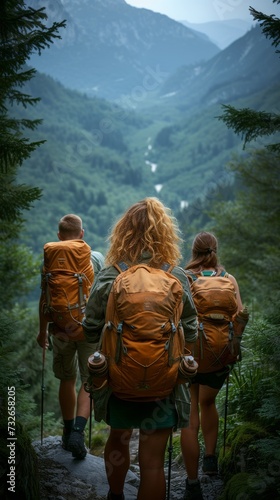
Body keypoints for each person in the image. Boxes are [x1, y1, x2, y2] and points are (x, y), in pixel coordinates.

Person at [82, 197, 198, 500]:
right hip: (165, 383)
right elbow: (193, 331)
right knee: (152, 466)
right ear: (166, 233)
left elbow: (91, 327)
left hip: (119, 379)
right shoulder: (176, 274)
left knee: (118, 439)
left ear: (123, 232)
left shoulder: (110, 274)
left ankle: (116, 495)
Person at [180, 231, 243, 500]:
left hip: (192, 353)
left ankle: (192, 482)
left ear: (194, 251)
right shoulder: (228, 279)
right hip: (219, 352)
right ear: (215, 250)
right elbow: (239, 315)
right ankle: (210, 459)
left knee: (190, 410)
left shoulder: (185, 277)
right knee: (208, 404)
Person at [37, 214, 104, 459]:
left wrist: (42, 331)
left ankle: (66, 433)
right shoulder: (94, 258)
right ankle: (78, 432)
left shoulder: (49, 262)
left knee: (67, 379)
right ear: (82, 234)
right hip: (87, 330)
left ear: (58, 237)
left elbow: (45, 299)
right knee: (88, 380)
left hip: (61, 330)